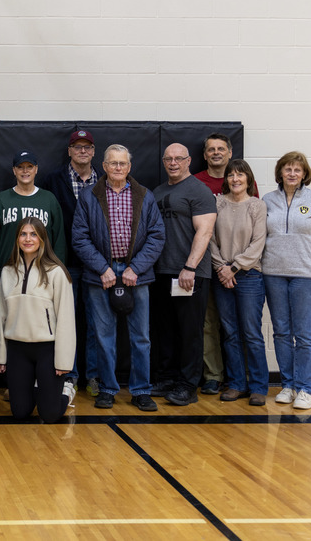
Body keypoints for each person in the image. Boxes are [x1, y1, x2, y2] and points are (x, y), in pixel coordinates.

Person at [72, 144, 165, 412]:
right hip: (101, 275)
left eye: (122, 164)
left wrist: (135, 268)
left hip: (138, 274)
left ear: (129, 167)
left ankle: (141, 390)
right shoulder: (90, 196)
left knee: (141, 338)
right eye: (113, 163)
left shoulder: (144, 196)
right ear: (104, 166)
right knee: (103, 336)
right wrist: (103, 268)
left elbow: (157, 235)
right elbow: (79, 237)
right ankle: (108, 389)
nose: (118, 168)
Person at [150, 143, 218, 407]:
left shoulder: (199, 191)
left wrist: (189, 267)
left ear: (189, 161)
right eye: (168, 158)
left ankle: (188, 385)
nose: (173, 162)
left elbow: (205, 231)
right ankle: (166, 378)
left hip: (189, 274)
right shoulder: (158, 191)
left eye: (179, 158)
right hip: (160, 271)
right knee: (164, 330)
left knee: (189, 332)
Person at [262, 151, 311, 410]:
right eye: (287, 169)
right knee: (281, 332)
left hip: (306, 276)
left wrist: (305, 257)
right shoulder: (268, 200)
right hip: (273, 274)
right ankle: (288, 385)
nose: (292, 173)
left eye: (297, 170)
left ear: (304, 174)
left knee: (304, 334)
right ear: (280, 172)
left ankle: (305, 389)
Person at [193, 132, 258, 395]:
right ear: (205, 154)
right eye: (211, 149)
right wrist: (221, 267)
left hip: (242, 271)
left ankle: (241, 380)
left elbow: (257, 232)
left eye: (221, 148)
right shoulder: (196, 182)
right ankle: (213, 375)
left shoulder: (246, 185)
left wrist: (234, 267)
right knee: (210, 324)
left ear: (230, 153)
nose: (216, 153)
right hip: (206, 266)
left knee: (242, 328)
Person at [0, 218, 76, 423]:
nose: (28, 239)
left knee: (49, 416)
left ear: (42, 239)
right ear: (17, 239)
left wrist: (64, 361)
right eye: (23, 234)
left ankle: (64, 390)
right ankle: (41, 390)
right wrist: (0, 355)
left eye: (33, 234)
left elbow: (66, 319)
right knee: (20, 412)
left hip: (47, 350)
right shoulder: (7, 272)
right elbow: (0, 318)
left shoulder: (57, 272)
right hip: (17, 349)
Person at [43, 129, 100, 398]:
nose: (82, 151)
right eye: (77, 147)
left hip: (98, 264)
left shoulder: (104, 181)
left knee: (97, 322)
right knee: (67, 322)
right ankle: (70, 374)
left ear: (93, 151)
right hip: (64, 264)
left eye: (87, 147)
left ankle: (94, 376)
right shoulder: (53, 181)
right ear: (69, 151)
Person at [209, 160, 268, 406]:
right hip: (222, 273)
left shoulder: (257, 205)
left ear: (248, 179)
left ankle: (258, 386)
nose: (235, 179)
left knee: (251, 333)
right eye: (231, 175)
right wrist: (222, 268)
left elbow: (258, 243)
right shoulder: (217, 203)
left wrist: (233, 268)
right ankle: (236, 384)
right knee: (230, 332)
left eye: (240, 175)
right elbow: (208, 238)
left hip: (249, 276)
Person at [0, 150, 66, 291]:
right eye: (20, 167)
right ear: (14, 170)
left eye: (29, 167)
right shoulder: (1, 200)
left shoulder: (49, 199)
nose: (25, 171)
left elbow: (59, 240)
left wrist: (57, 274)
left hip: (43, 275)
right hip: (8, 273)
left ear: (36, 169)